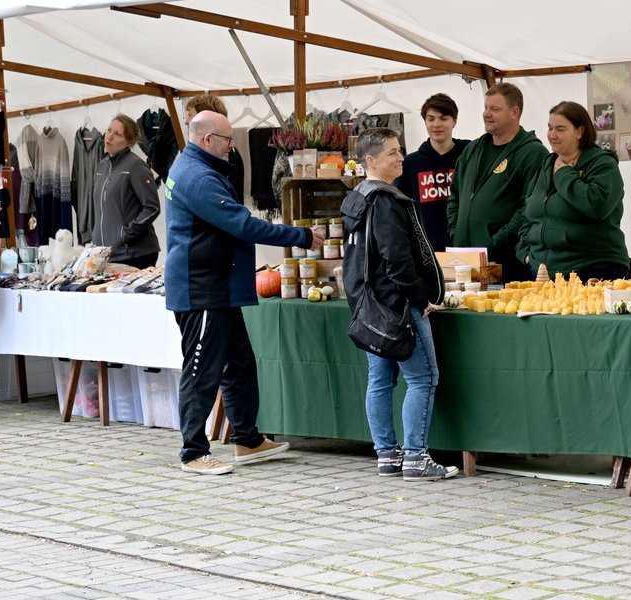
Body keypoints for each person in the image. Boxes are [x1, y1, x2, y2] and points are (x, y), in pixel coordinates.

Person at [164, 110, 323, 475]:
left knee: (239, 364)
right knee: (201, 369)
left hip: (218, 288)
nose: (232, 146)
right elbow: (241, 224)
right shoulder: (198, 177)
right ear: (207, 140)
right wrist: (299, 236)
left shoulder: (193, 167)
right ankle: (193, 452)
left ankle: (247, 440)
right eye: (227, 139)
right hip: (202, 290)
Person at [341, 127, 455, 481]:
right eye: (392, 153)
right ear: (371, 160)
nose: (401, 158)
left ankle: (388, 457)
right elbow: (397, 260)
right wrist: (419, 298)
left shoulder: (355, 199)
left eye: (400, 150)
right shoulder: (386, 200)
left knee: (379, 381)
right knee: (423, 379)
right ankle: (417, 458)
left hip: (371, 308)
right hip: (399, 307)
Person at [516, 101, 629, 280]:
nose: (552, 135)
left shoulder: (603, 165)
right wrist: (525, 253)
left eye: (560, 129)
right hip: (544, 273)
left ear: (579, 132)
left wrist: (564, 175)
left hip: (593, 270)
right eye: (550, 128)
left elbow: (597, 206)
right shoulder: (545, 165)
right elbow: (528, 213)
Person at [447, 82, 546, 282]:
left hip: (505, 262)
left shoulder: (532, 153)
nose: (486, 113)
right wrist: (455, 230)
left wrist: (495, 242)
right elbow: (455, 194)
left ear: (514, 112)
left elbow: (529, 207)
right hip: (464, 261)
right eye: (485, 107)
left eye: (494, 108)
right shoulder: (473, 150)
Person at [395, 93, 469, 252]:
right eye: (431, 118)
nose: (437, 124)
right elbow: (402, 208)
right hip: (428, 249)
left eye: (443, 118)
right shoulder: (410, 163)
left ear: (454, 121)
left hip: (466, 244)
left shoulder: (470, 155)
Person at [91, 114, 161, 269]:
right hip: (106, 254)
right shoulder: (101, 167)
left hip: (136, 253)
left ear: (129, 141)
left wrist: (125, 234)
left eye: (118, 134)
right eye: (109, 130)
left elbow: (152, 207)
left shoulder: (136, 166)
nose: (110, 136)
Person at [183, 95, 246, 203]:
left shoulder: (226, 155)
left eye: (190, 115)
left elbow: (227, 203)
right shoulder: (209, 153)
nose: (186, 121)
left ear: (204, 117)